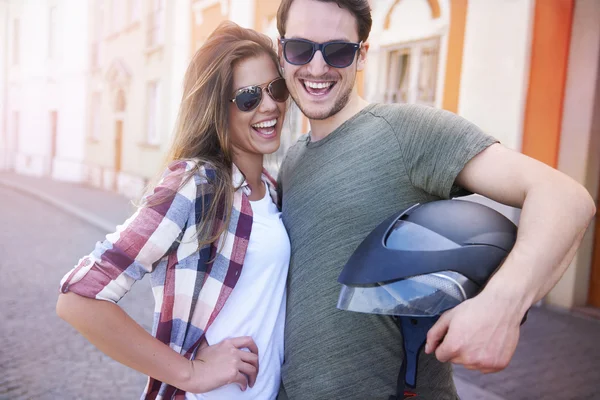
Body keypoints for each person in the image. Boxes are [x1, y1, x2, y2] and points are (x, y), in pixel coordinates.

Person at [274, 0, 596, 399]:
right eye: (301, 49)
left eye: (338, 50)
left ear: (362, 56)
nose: (318, 67)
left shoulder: (407, 132)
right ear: (281, 52)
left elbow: (565, 197)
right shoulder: (292, 161)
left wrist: (502, 307)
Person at [56, 21, 291, 400]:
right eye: (248, 97)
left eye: (275, 88)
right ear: (217, 107)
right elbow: (78, 300)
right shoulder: (196, 185)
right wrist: (191, 373)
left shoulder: (274, 189)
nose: (269, 105)